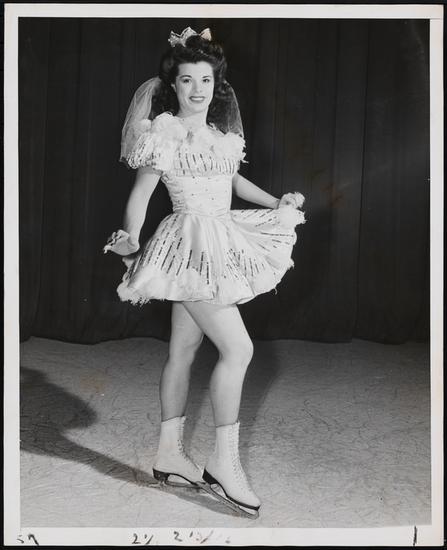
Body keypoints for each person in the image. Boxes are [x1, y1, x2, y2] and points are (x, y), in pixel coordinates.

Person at [104, 27, 306, 518]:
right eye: (187, 80)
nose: (197, 89)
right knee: (239, 349)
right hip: (188, 243)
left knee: (183, 349)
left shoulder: (222, 136)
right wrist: (131, 236)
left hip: (219, 238)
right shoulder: (162, 134)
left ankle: (169, 455)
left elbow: (233, 181)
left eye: (206, 81)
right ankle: (222, 465)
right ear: (172, 85)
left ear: (217, 86)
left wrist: (275, 201)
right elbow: (141, 194)